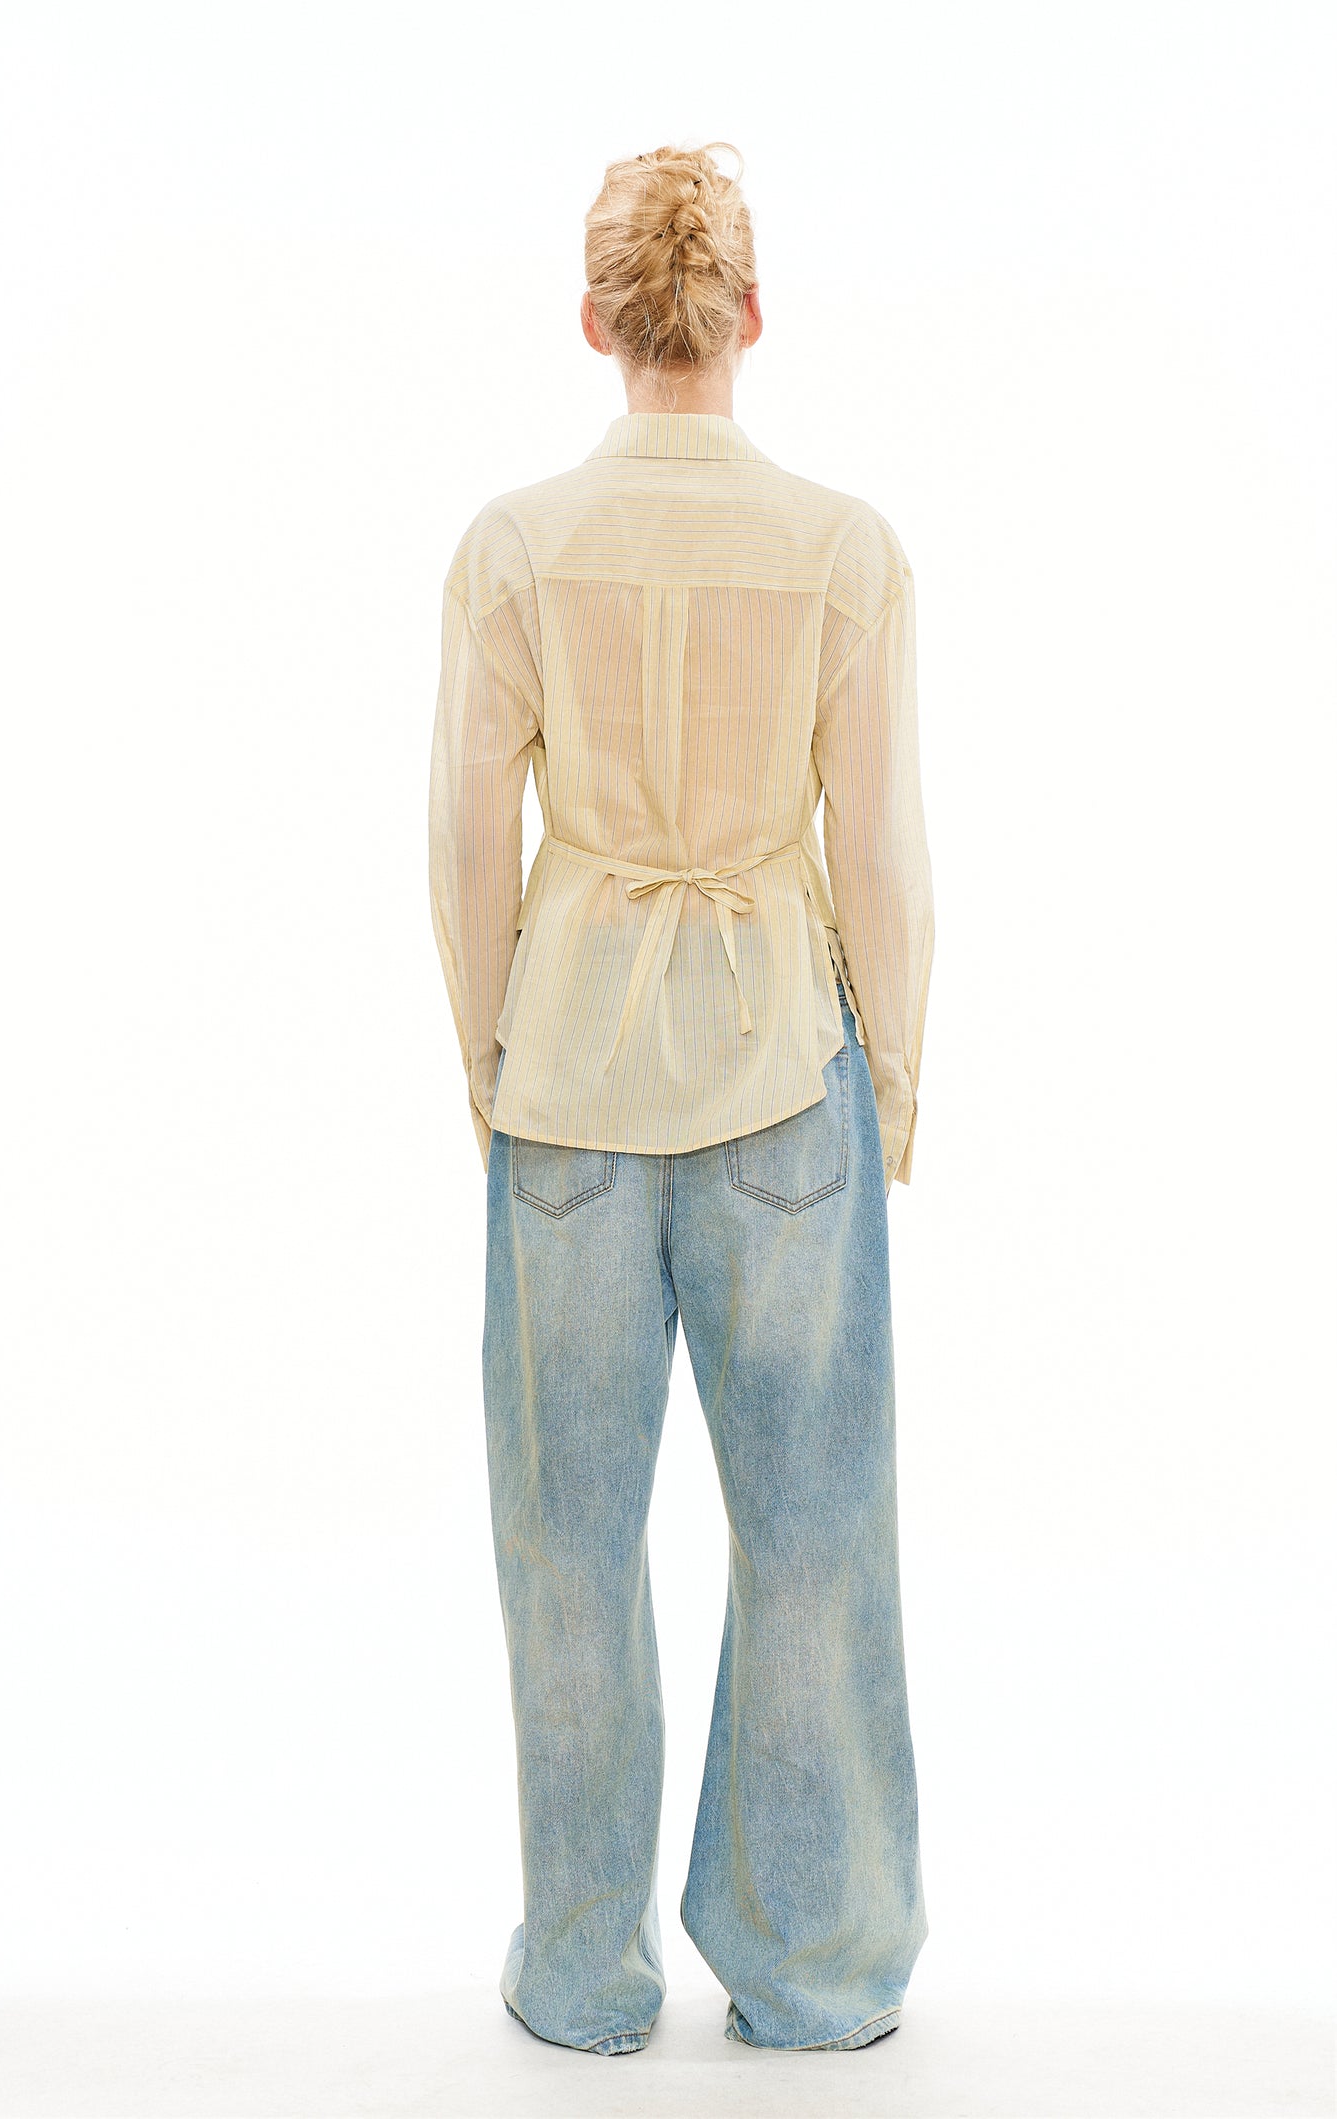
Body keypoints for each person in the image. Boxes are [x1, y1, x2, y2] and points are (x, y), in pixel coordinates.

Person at [428, 141, 934, 2058]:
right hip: (778, 1072)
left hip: (566, 1076)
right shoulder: (840, 548)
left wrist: (487, 1057)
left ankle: (581, 1969)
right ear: (749, 315)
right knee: (811, 1535)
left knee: (562, 1543)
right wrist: (891, 1075)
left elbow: (463, 841)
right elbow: (879, 852)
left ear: (594, 321)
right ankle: (813, 1974)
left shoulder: (511, 546)